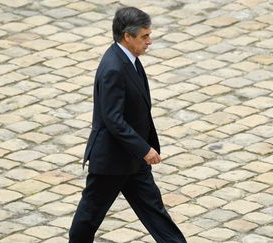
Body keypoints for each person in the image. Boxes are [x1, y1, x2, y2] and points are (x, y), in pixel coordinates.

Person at [68, 6, 187, 243]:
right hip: (111, 162)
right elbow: (113, 119)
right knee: (88, 219)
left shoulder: (130, 59)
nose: (149, 41)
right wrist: (144, 149)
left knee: (156, 214)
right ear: (127, 36)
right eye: (144, 36)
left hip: (133, 161)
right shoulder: (113, 68)